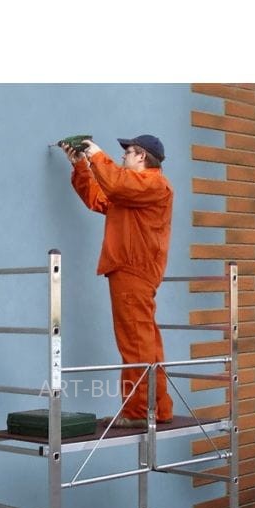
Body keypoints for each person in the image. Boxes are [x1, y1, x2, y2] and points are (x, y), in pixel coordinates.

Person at [61, 134, 174, 427]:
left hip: (132, 270)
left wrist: (96, 154)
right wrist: (80, 164)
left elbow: (115, 184)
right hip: (131, 270)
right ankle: (157, 408)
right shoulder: (133, 191)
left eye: (128, 152)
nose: (123, 156)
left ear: (141, 156)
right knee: (145, 340)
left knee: (135, 341)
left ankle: (139, 411)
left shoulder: (153, 184)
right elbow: (98, 198)